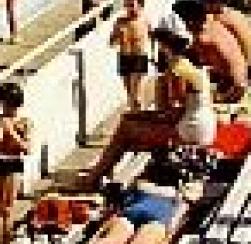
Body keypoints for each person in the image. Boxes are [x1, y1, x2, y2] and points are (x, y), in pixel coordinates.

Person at [76, 19, 216, 186]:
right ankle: (100, 172)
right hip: (198, 126)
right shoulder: (190, 64)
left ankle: (95, 176)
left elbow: (172, 111)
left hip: (191, 130)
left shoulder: (178, 70)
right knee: (129, 128)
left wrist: (145, 114)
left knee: (127, 129)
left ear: (164, 45)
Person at [75, 151, 186, 244]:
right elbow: (175, 221)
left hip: (131, 212)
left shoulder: (139, 184)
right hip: (158, 218)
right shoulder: (176, 196)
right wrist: (163, 242)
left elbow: (119, 202)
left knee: (113, 239)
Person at [0, 81, 33, 244]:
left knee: (7, 207)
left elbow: (27, 148)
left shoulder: (24, 122)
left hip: (14, 164)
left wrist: (11, 132)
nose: (4, 108)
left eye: (7, 104)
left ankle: (5, 240)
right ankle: (8, 231)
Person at [175, 0, 248, 103]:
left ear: (189, 22)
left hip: (235, 88)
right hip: (242, 75)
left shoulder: (203, 39)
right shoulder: (214, 24)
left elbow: (198, 62)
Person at [197, 0, 251, 73]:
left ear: (214, 3)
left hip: (244, 66)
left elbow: (244, 44)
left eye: (203, 3)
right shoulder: (234, 13)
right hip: (249, 58)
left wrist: (248, 65)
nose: (202, 7)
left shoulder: (225, 20)